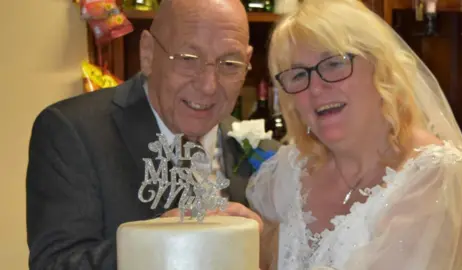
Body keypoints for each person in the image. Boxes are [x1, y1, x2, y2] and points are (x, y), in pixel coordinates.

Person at [26, 0, 276, 269]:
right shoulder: (73, 132)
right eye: (188, 59)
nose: (208, 86)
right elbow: (55, 264)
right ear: (147, 53)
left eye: (229, 63)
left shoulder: (260, 149)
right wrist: (156, 243)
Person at [246, 0, 462, 269]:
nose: (316, 88)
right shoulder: (285, 173)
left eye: (334, 63)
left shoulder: (438, 177)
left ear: (380, 67)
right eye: (299, 75)